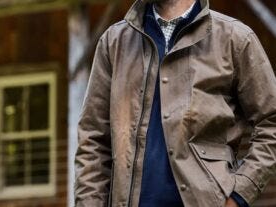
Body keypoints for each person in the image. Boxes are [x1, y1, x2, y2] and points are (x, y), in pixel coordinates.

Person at [75, 0, 276, 206]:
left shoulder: (235, 38)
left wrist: (240, 194)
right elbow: (93, 141)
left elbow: (271, 123)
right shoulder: (113, 43)